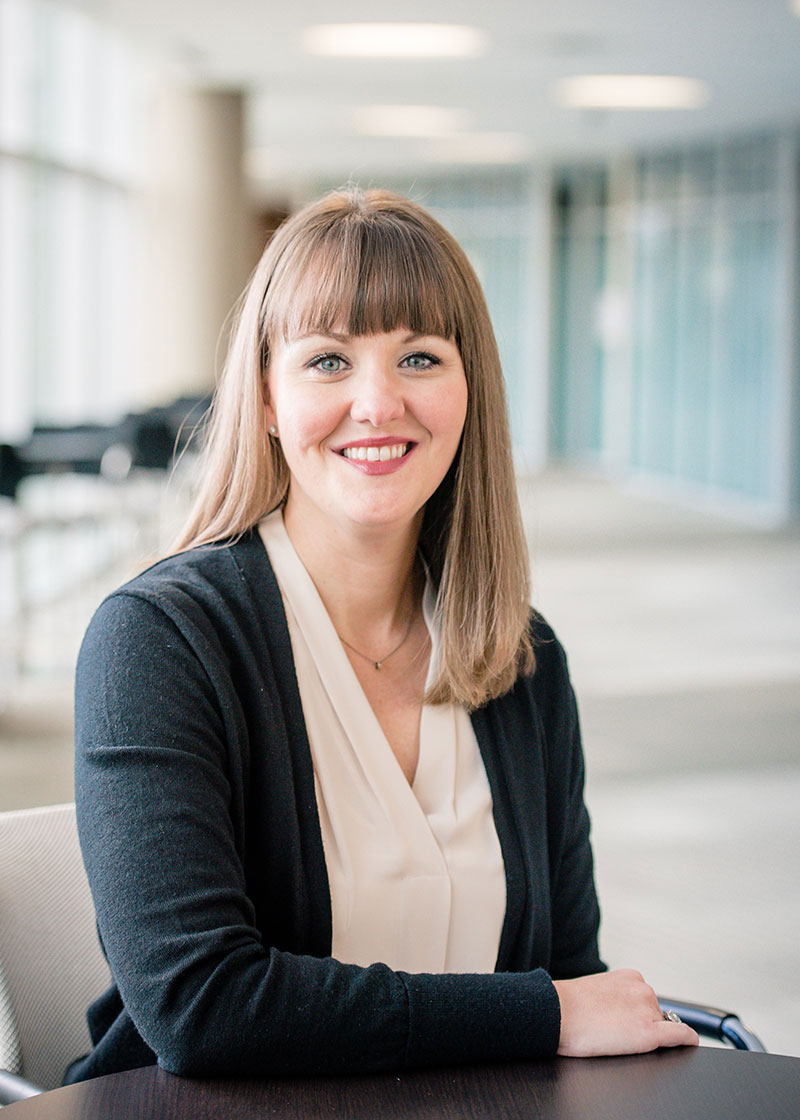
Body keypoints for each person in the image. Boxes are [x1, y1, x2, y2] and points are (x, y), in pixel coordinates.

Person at [67, 187, 697, 1084]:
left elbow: (571, 971)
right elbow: (202, 1005)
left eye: (419, 357)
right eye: (328, 360)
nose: (377, 402)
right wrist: (539, 1014)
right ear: (269, 399)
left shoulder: (521, 656)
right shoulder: (160, 642)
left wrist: (554, 1010)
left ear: (468, 387)